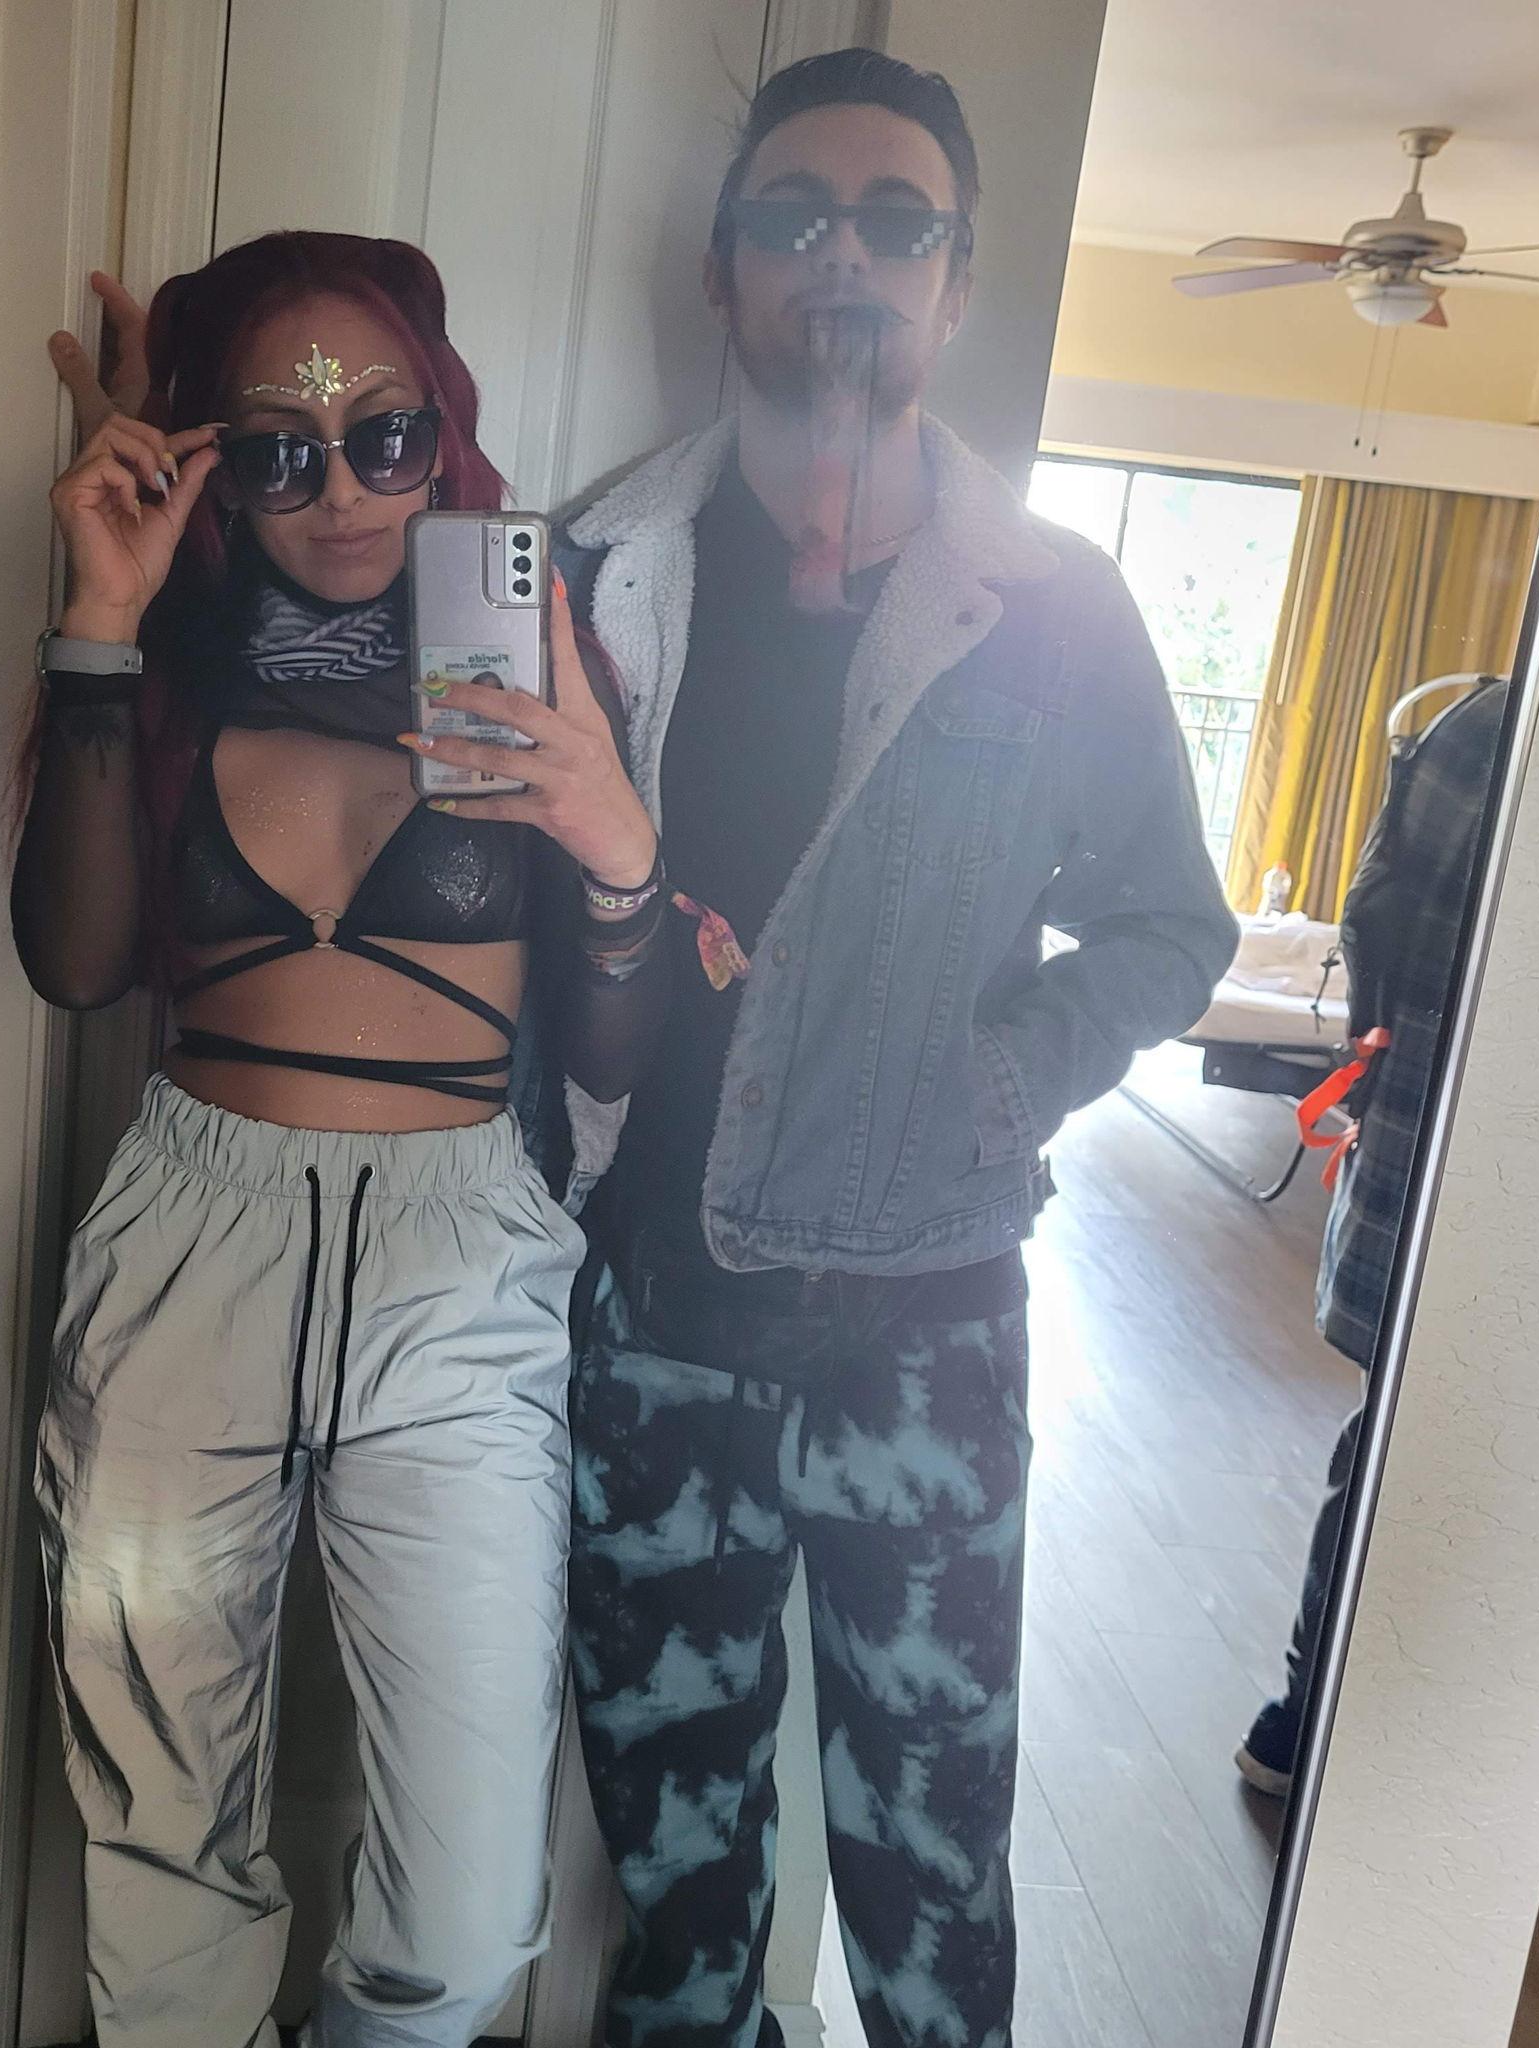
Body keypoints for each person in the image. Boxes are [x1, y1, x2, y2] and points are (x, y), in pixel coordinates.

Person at [550, 49, 1237, 2048]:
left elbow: (1170, 925)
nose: (841, 256)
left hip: (925, 1326)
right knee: (674, 1876)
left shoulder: (1054, 609)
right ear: (721, 267)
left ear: (954, 281)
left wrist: (995, 1082)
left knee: (932, 1886)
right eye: (793, 214)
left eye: (894, 220)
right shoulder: (598, 570)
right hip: (652, 1311)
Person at [14, 229, 664, 2048]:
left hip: (459, 1265)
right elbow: (74, 966)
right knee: (157, 1810)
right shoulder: (171, 659)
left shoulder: (533, 653)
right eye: (279, 451)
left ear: (440, 428)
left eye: (384, 434)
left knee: (466, 1898)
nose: (347, 489)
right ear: (216, 464)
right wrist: (99, 619)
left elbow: (611, 1047)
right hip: (188, 1238)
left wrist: (616, 843)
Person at [1235, 673, 1512, 1799]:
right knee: (1452, 1466)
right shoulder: (1537, 739)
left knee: (1390, 1447)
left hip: (1412, 1143)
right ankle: (1397, 1737)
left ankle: (1305, 1715)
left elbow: (1373, 923)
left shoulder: (1476, 725)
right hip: (1500, 1184)